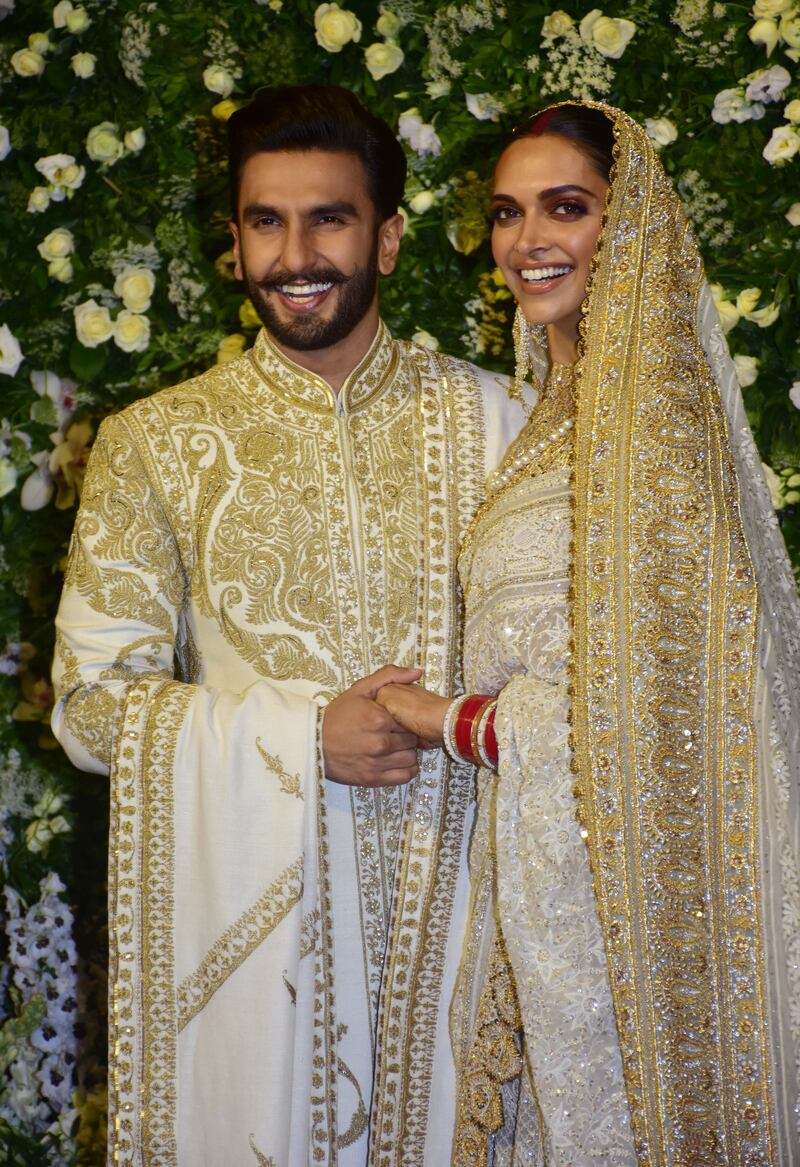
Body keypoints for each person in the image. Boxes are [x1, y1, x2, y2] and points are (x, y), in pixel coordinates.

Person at [50, 85, 530, 1166]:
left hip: (469, 941)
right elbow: (87, 708)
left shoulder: (511, 427)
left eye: (329, 218)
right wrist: (300, 735)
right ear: (233, 243)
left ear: (390, 237)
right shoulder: (153, 445)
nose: (294, 253)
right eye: (265, 221)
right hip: (259, 953)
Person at [376, 101, 800, 1164]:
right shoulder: (551, 427)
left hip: (641, 950)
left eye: (565, 208)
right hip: (539, 915)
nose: (528, 242)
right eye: (509, 213)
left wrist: (448, 721)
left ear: (630, 227)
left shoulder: (663, 446)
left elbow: (670, 719)